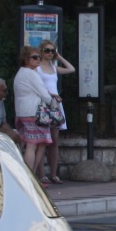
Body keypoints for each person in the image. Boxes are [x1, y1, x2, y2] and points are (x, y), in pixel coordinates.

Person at [13, 45, 61, 185]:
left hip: (23, 112)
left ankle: (30, 176)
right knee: (33, 144)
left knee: (37, 144)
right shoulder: (31, 74)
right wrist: (53, 103)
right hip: (34, 113)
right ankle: (30, 177)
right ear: (26, 59)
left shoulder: (21, 73)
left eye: (39, 57)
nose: (38, 59)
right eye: (34, 57)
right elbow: (44, 95)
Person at [36, 39, 75, 183]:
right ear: (41, 51)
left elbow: (71, 69)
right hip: (44, 103)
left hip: (56, 104)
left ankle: (53, 174)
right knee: (42, 140)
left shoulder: (54, 67)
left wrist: (59, 57)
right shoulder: (37, 67)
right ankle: (41, 174)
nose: (49, 53)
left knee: (54, 140)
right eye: (47, 50)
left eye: (52, 50)